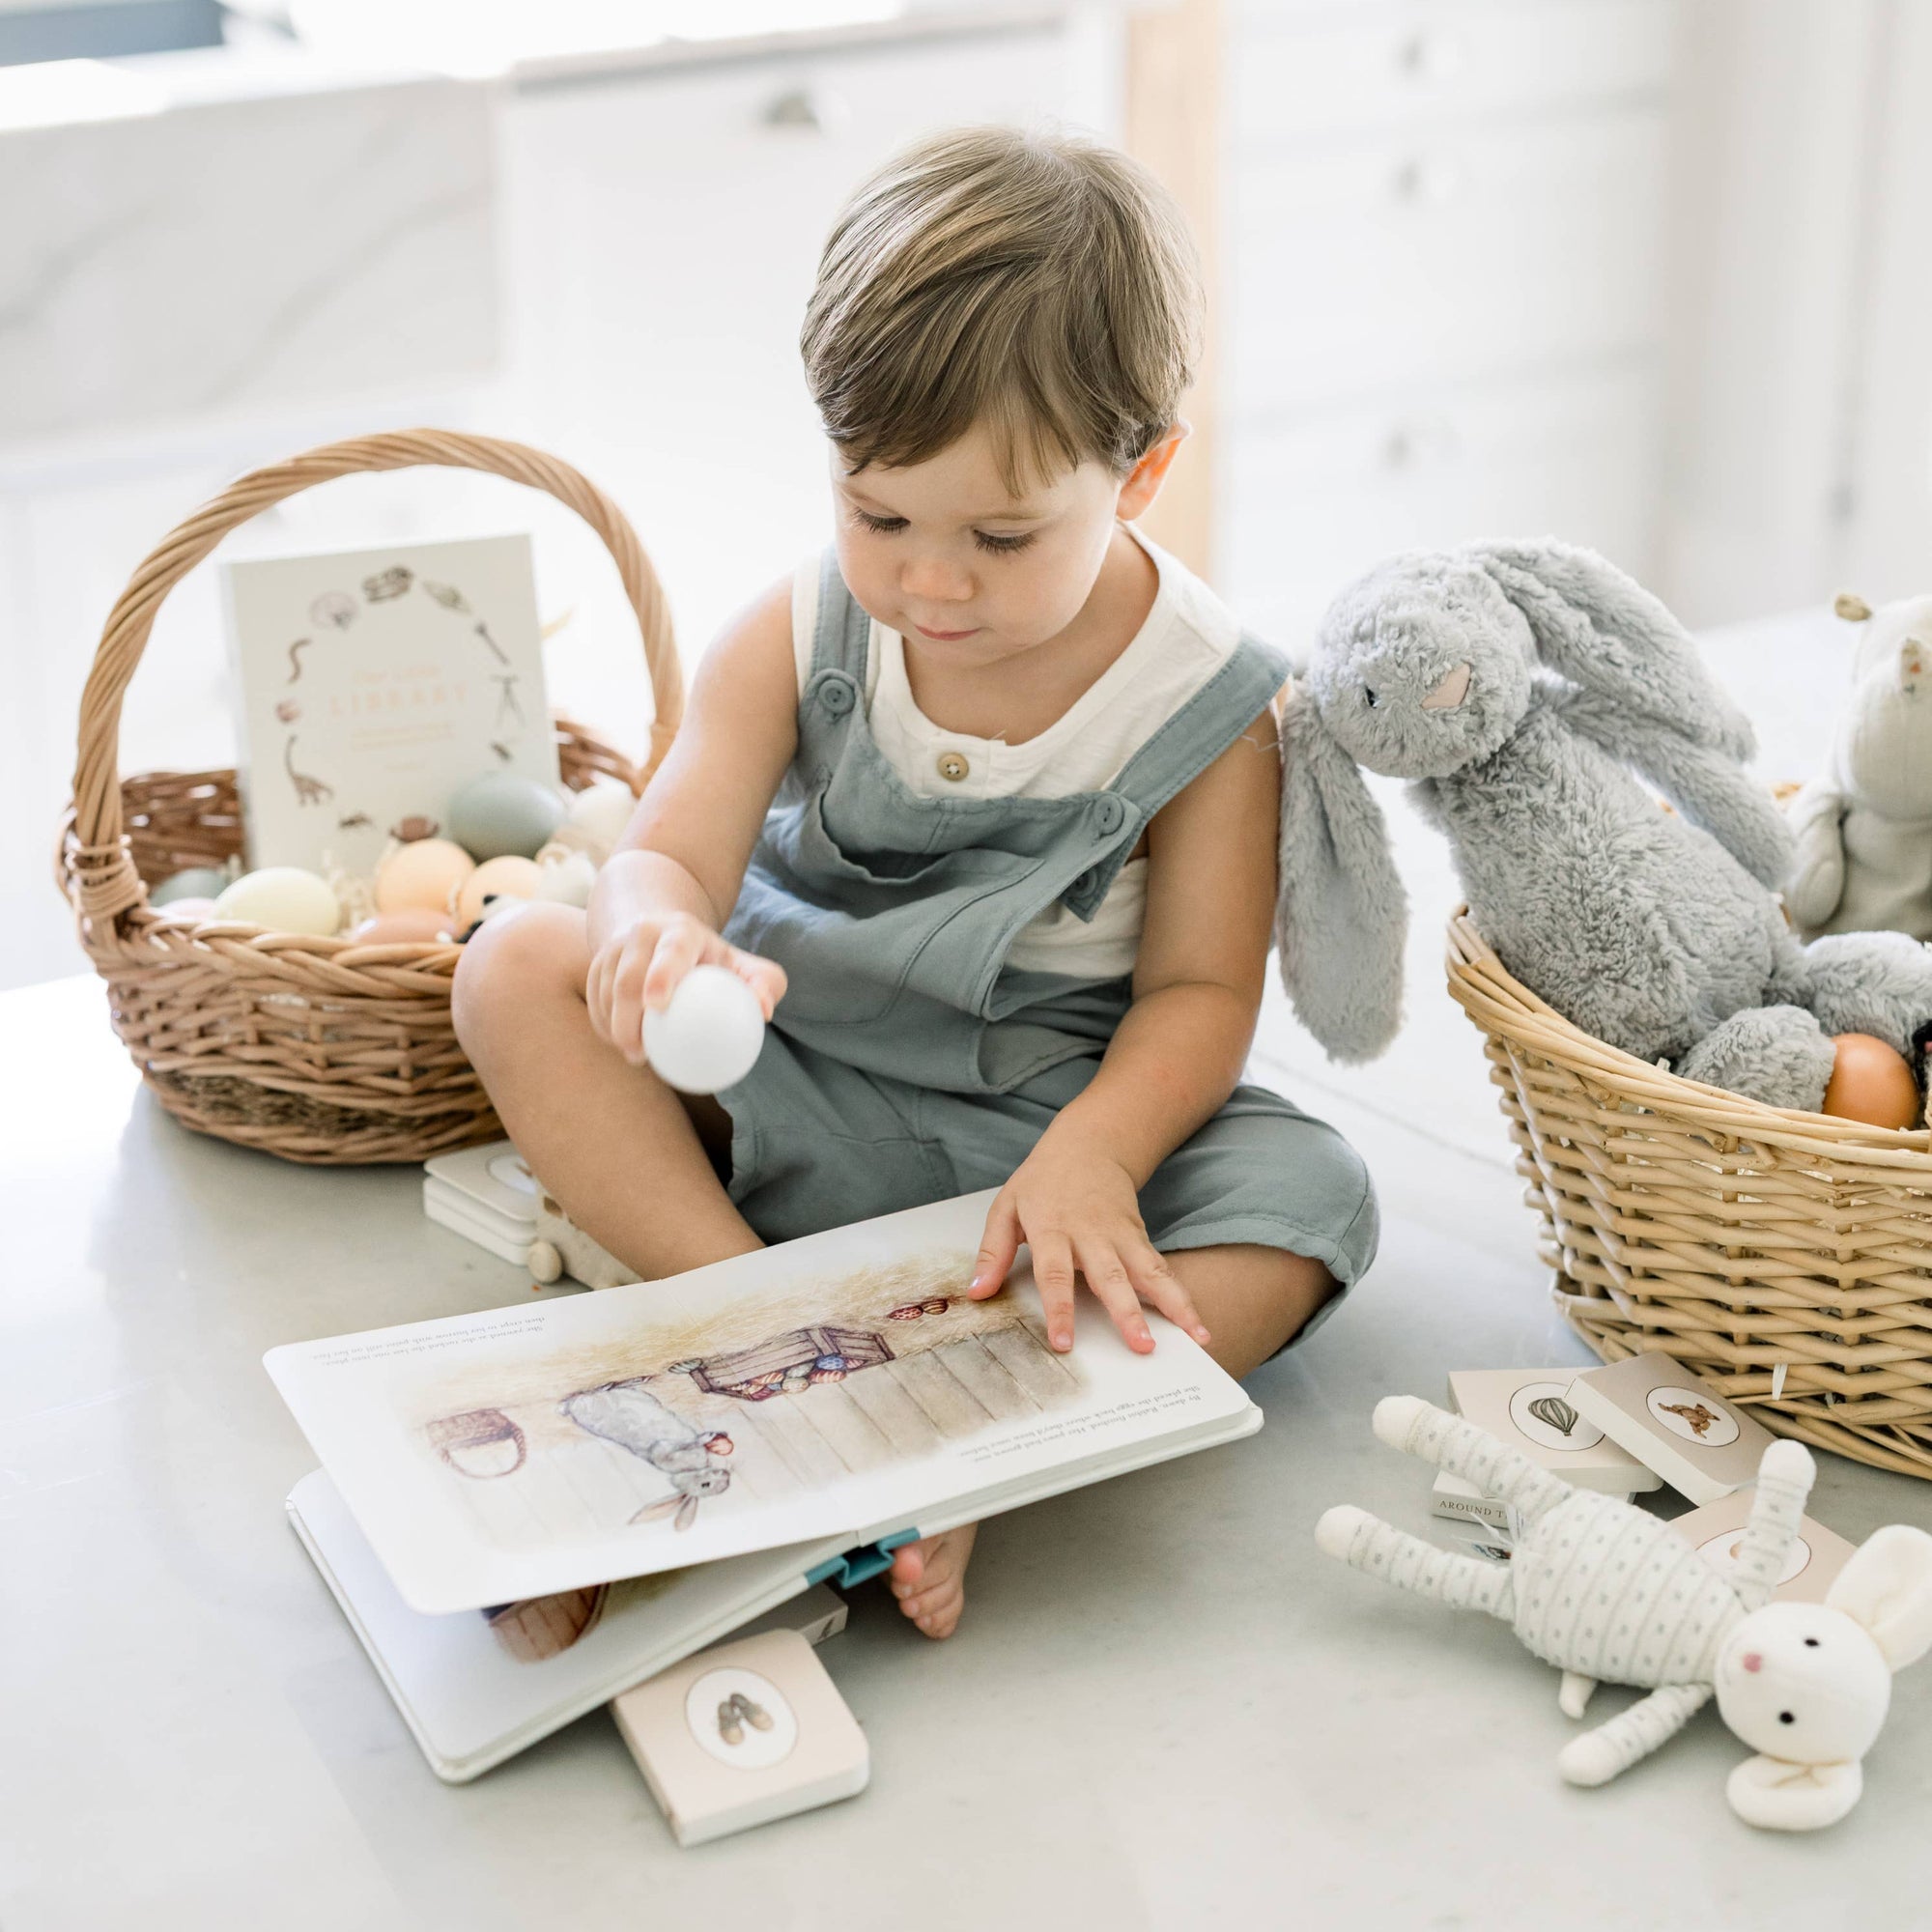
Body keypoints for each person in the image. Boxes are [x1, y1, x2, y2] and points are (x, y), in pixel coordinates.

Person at [454, 126, 1377, 1642]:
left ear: (1142, 475)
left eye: (1001, 537)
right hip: (794, 1068)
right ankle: (759, 1333)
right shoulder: (801, 626)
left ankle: (988, 1437)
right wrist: (656, 932)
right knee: (513, 967)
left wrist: (1094, 1157)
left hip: (1036, 1134)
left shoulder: (1212, 705)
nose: (928, 582)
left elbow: (1202, 994)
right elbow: (663, 851)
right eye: (877, 514)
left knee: (1309, 1201)